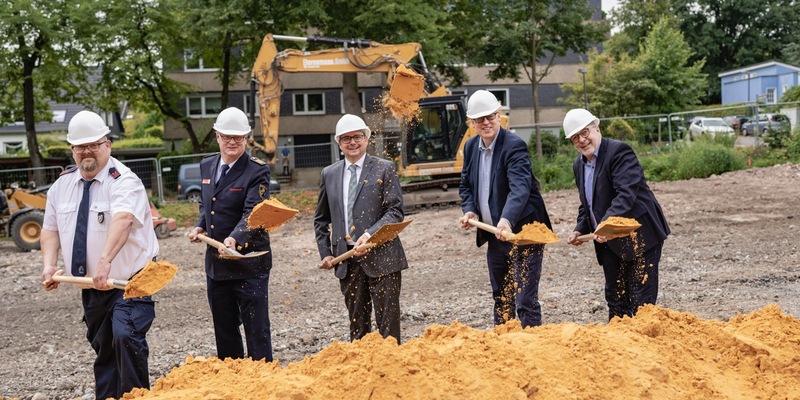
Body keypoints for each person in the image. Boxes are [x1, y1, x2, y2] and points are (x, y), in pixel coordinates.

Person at [40, 110, 160, 400]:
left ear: (108, 144)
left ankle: (135, 397)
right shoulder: (61, 186)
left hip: (129, 280)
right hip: (92, 286)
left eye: (93, 144)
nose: (86, 152)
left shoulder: (123, 180)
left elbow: (123, 220)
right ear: (72, 150)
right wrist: (49, 265)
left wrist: (105, 261)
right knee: (104, 348)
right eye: (80, 147)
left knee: (125, 335)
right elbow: (50, 230)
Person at [563, 108, 670, 320]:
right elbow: (588, 205)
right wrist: (579, 229)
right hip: (609, 242)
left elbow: (625, 195)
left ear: (597, 129)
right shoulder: (579, 165)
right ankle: (619, 350)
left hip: (640, 236)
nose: (582, 140)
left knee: (642, 302)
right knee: (616, 299)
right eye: (575, 137)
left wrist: (604, 225)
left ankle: (645, 347)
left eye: (585, 132)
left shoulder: (619, 152)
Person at [458, 90, 552, 328]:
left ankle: (532, 348)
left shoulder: (514, 146)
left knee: (525, 299)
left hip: (522, 233)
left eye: (490, 116)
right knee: (501, 297)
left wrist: (507, 220)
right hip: (494, 235)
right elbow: (466, 185)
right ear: (472, 122)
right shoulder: (470, 148)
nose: (486, 123)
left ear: (499, 115)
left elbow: (520, 188)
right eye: (480, 119)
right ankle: (505, 347)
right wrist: (470, 210)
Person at [188, 107, 274, 361]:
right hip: (217, 263)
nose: (232, 142)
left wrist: (235, 238)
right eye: (227, 136)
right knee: (224, 329)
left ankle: (262, 378)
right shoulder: (207, 165)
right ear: (217, 136)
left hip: (249, 261)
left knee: (256, 329)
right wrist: (200, 225)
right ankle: (232, 377)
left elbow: (254, 212)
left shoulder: (257, 170)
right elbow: (207, 204)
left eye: (238, 137)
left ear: (247, 138)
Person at [314, 114, 408, 342]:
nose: (352, 142)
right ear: (339, 143)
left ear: (367, 139)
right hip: (348, 261)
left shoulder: (384, 168)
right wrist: (326, 253)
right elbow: (321, 220)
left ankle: (392, 371)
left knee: (388, 326)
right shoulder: (329, 174)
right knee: (358, 326)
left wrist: (368, 235)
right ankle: (362, 373)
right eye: (346, 138)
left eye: (357, 137)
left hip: (383, 256)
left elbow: (394, 211)